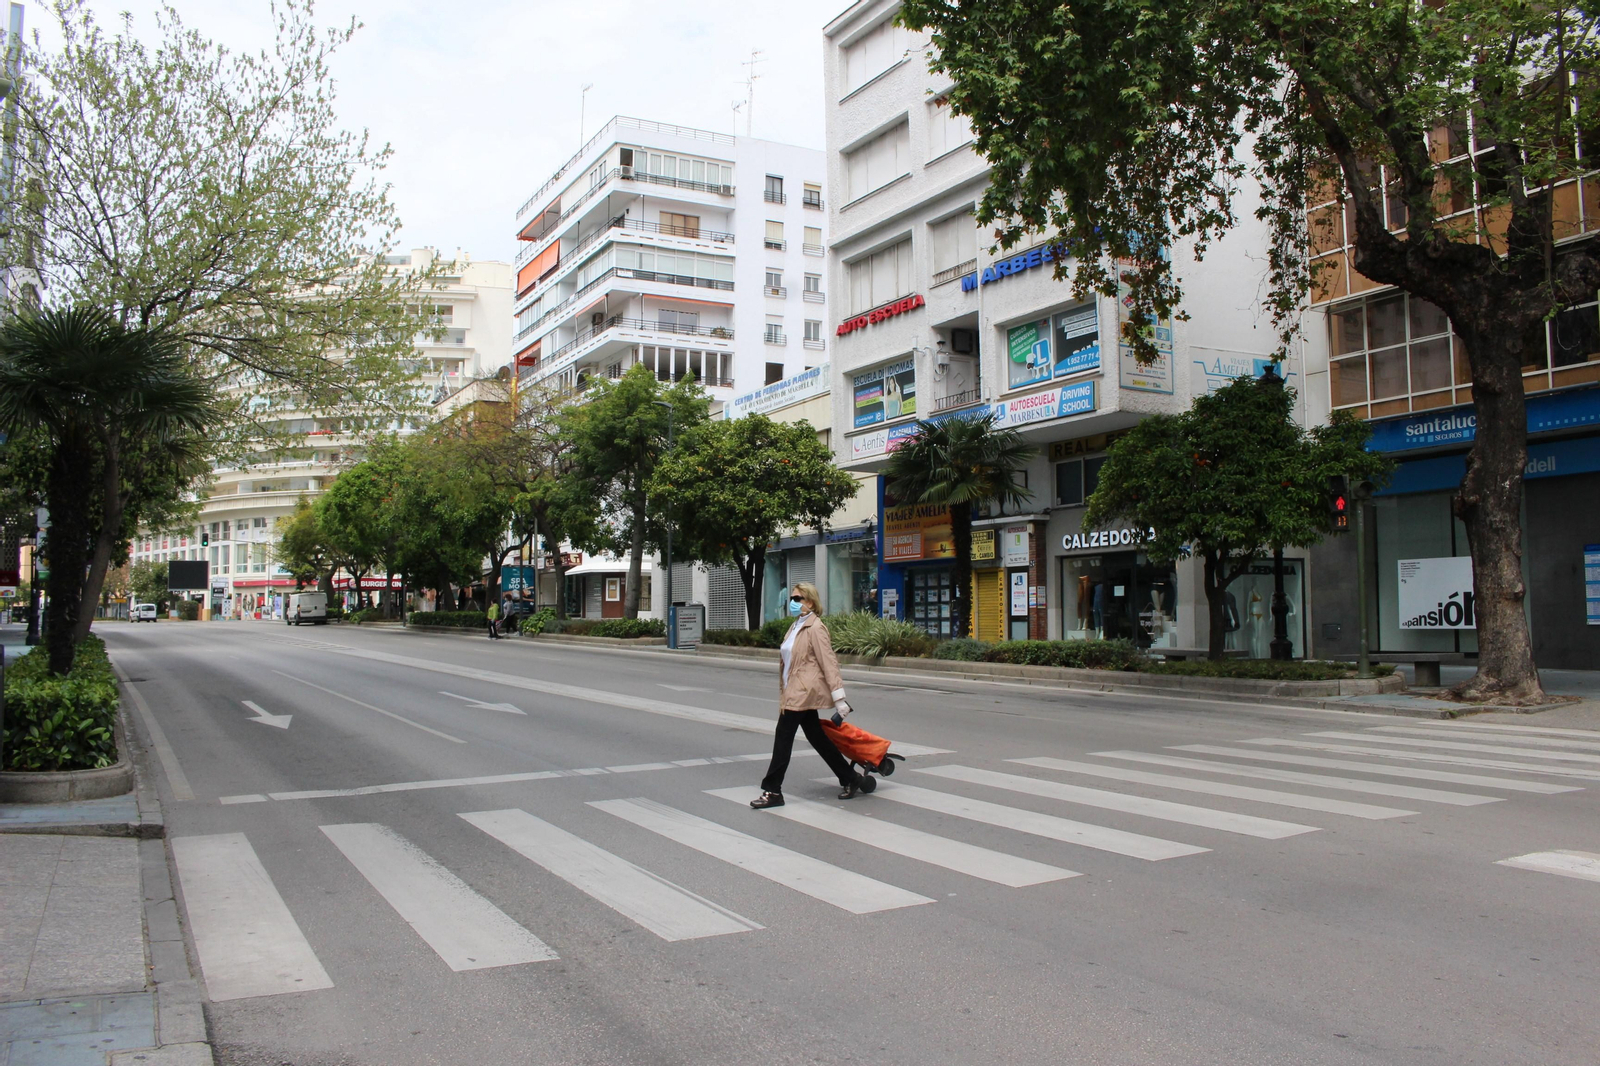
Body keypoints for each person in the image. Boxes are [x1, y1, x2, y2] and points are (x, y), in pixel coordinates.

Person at [750, 582, 870, 809]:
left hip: (801, 693)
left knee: (783, 737)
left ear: (811, 603)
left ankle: (772, 790)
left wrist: (839, 698)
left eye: (798, 599)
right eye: (792, 598)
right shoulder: (796, 625)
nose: (793, 603)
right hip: (794, 690)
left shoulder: (816, 628)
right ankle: (850, 778)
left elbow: (829, 663)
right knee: (817, 738)